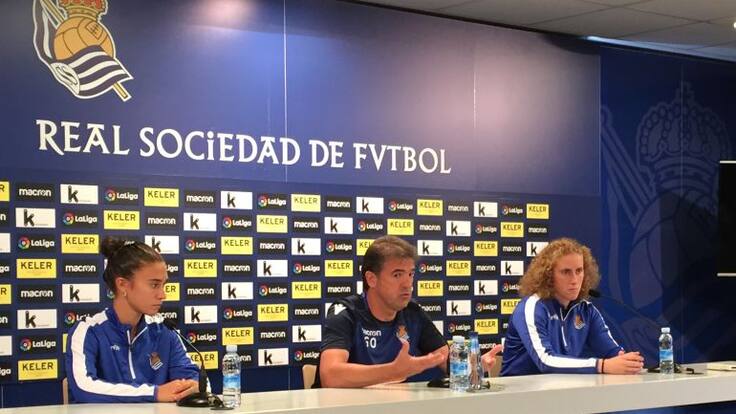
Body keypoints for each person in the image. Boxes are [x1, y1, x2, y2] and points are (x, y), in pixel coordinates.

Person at [483, 238, 644, 376]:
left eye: (579, 271)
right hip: (520, 396)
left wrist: (628, 362)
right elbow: (545, 360)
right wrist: (601, 366)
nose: (574, 279)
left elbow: (612, 352)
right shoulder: (532, 307)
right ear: (548, 276)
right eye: (566, 272)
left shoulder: (587, 311)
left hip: (564, 393)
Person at [65, 237, 200, 403]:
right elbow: (84, 388)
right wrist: (155, 393)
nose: (162, 295)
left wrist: (194, 387)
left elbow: (194, 380)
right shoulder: (88, 331)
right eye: (154, 285)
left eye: (163, 285)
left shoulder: (165, 331)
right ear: (122, 285)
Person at [315, 236, 449, 388]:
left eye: (410, 274)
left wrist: (471, 363)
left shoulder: (413, 312)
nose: (407, 284)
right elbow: (331, 376)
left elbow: (448, 360)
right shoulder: (346, 313)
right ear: (371, 279)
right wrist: (393, 371)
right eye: (397, 275)